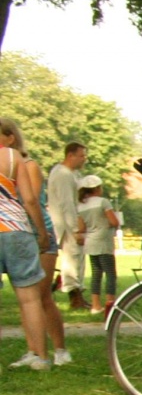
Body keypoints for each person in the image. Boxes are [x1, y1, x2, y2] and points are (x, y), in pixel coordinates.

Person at [0, 116, 54, 369]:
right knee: (30, 298)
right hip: (16, 229)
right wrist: (41, 232)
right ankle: (40, 357)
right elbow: (30, 199)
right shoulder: (13, 157)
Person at [45, 142, 87, 312]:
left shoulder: (68, 173)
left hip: (64, 222)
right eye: (81, 155)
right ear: (70, 155)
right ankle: (74, 297)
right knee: (73, 260)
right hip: (65, 224)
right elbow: (67, 204)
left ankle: (69, 290)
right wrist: (75, 229)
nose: (84, 159)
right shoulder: (63, 174)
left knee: (75, 259)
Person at [76, 174, 121, 313]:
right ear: (97, 188)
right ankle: (110, 305)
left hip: (90, 242)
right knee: (110, 274)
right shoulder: (103, 202)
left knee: (96, 274)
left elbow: (81, 228)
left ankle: (95, 306)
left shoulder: (81, 206)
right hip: (103, 241)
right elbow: (114, 222)